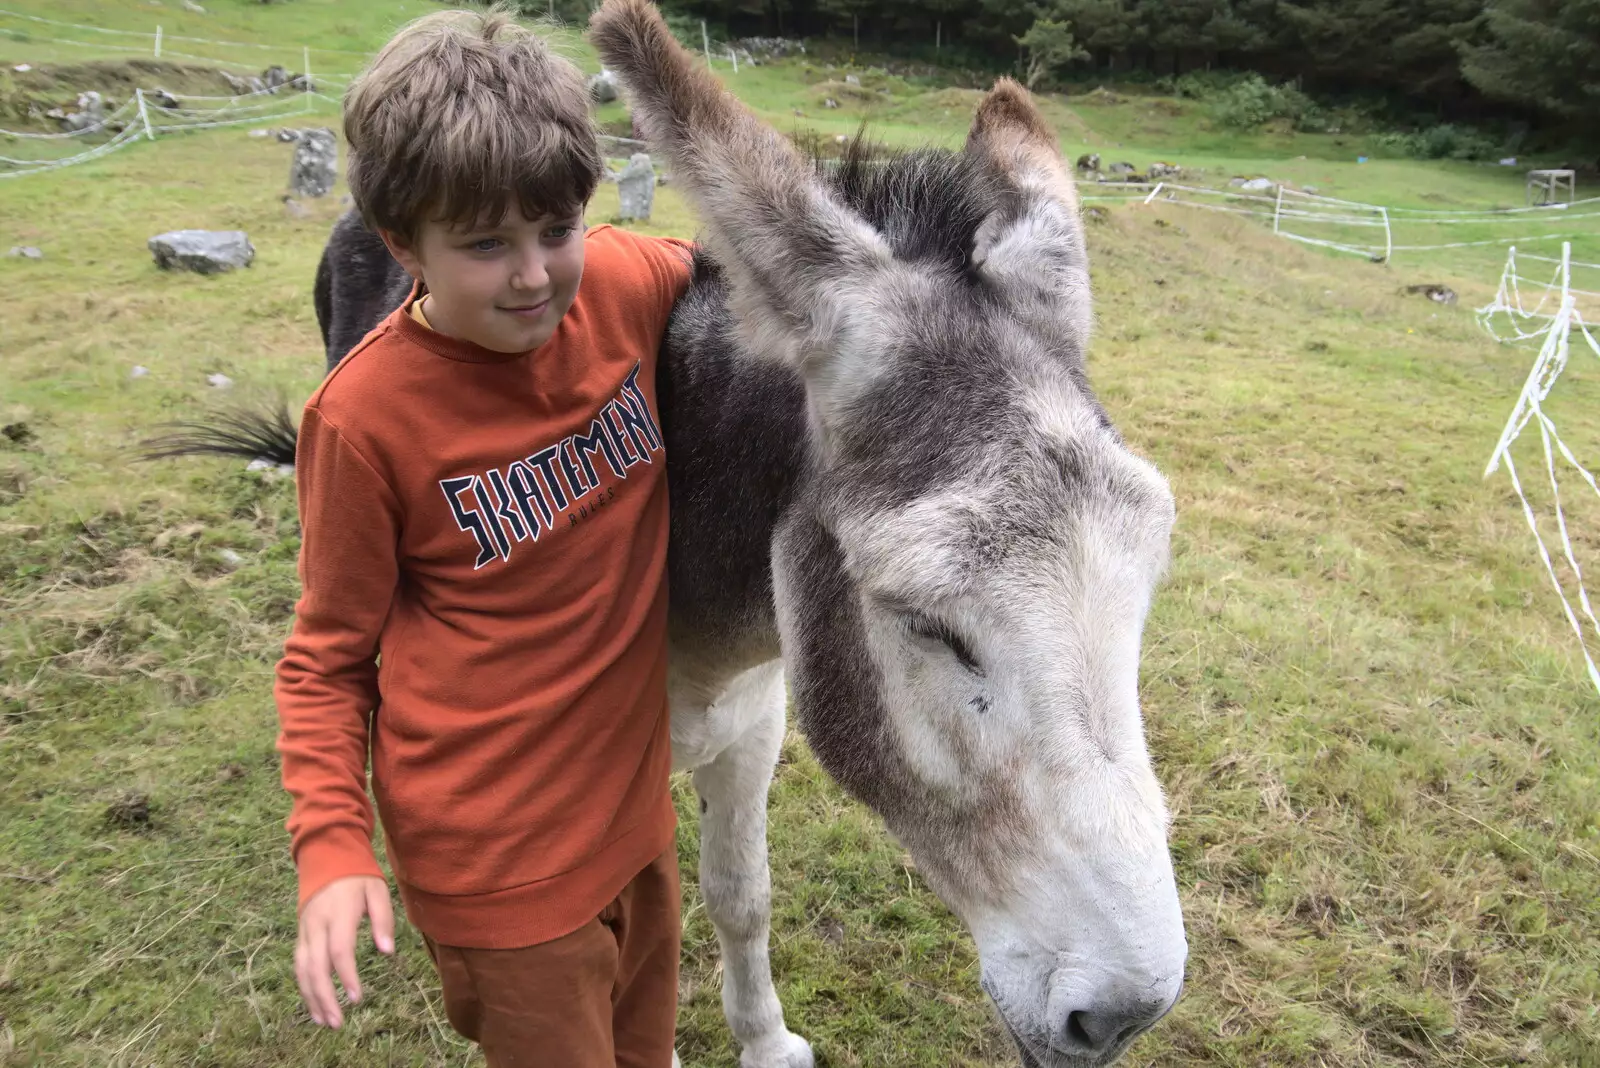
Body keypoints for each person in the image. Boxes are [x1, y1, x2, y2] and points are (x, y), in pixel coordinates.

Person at [276, 9, 691, 1066]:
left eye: (555, 228)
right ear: (397, 244)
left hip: (636, 819)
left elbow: (729, 275)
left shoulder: (624, 286)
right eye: (483, 245)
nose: (533, 276)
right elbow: (325, 661)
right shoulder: (364, 422)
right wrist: (332, 847)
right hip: (499, 864)